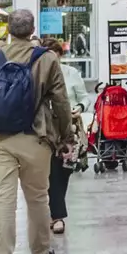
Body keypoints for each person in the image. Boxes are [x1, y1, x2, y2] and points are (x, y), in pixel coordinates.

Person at [0, 8, 74, 254]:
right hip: (36, 138)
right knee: (38, 197)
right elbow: (61, 102)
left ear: (8, 29)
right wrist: (65, 136)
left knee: (3, 200)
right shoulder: (47, 58)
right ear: (32, 29)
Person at [45, 38, 87, 235]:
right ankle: (57, 215)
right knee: (51, 171)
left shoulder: (72, 74)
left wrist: (79, 108)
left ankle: (54, 210)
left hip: (69, 127)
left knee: (64, 171)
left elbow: (84, 97)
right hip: (47, 129)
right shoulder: (39, 74)